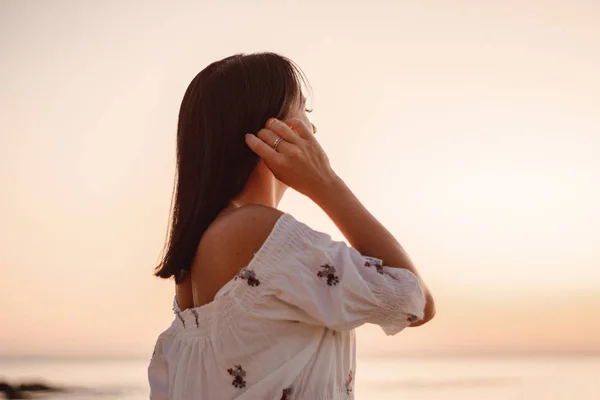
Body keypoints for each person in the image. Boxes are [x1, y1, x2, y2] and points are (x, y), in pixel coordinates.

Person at [148, 52, 435, 400]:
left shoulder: (203, 247)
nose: (313, 131)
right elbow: (411, 300)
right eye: (304, 112)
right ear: (271, 130)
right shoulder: (251, 230)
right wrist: (326, 182)